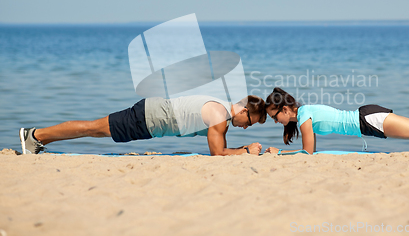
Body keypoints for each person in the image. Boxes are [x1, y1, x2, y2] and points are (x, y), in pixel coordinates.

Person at [264, 87, 409, 155]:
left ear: (285, 109)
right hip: (368, 121)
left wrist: (280, 153)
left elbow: (308, 152)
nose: (275, 121)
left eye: (275, 116)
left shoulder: (304, 114)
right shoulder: (304, 114)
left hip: (368, 120)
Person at [19, 95, 267, 156]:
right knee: (93, 129)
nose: (246, 127)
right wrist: (244, 151)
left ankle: (39, 140)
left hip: (150, 117)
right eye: (249, 122)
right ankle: (36, 135)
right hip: (149, 118)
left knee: (94, 129)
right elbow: (217, 154)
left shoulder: (220, 109)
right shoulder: (220, 115)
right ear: (244, 110)